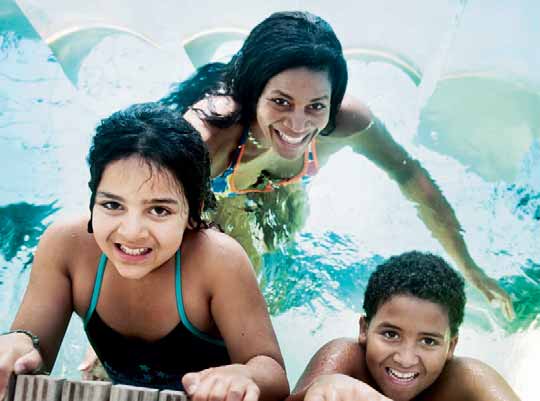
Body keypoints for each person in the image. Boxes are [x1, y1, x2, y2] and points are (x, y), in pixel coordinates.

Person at [160, 11, 514, 320]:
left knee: (281, 255)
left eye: (315, 105)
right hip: (215, 190)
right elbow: (137, 200)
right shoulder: (211, 134)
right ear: (254, 92)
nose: (298, 125)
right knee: (244, 279)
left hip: (280, 184)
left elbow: (408, 174)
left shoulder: (346, 122)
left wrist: (469, 266)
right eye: (281, 102)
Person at [0, 103, 289, 401]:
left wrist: (246, 375)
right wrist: (18, 344)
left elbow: (274, 375)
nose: (131, 231)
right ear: (92, 199)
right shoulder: (65, 246)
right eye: (112, 205)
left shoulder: (219, 262)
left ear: (193, 212)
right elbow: (28, 357)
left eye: (159, 209)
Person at [286, 251, 521, 401]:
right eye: (390, 334)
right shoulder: (345, 360)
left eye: (428, 341)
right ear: (364, 329)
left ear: (451, 346)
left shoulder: (468, 380)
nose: (406, 359)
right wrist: (320, 388)